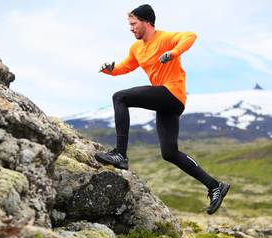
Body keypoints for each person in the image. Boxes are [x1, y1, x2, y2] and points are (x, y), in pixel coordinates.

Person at [94, 4, 230, 215]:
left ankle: (120, 154)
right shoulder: (136, 48)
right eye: (129, 24)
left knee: (119, 97)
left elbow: (191, 36)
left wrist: (173, 53)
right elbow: (126, 66)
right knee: (169, 153)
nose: (130, 28)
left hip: (172, 93)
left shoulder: (164, 38)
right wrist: (110, 70)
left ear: (146, 22)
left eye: (133, 24)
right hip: (166, 102)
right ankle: (215, 185)